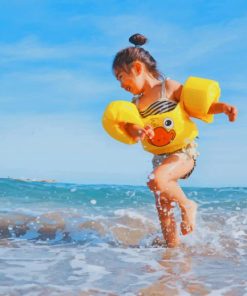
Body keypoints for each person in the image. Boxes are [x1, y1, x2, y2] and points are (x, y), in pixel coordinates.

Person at [111, 33, 238, 247]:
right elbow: (132, 128)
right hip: (159, 157)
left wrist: (223, 108)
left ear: (138, 68)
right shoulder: (135, 103)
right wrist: (139, 131)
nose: (121, 84)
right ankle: (172, 253)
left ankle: (188, 206)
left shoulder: (168, 87)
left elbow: (198, 106)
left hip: (183, 153)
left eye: (121, 77)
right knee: (163, 207)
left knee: (156, 180)